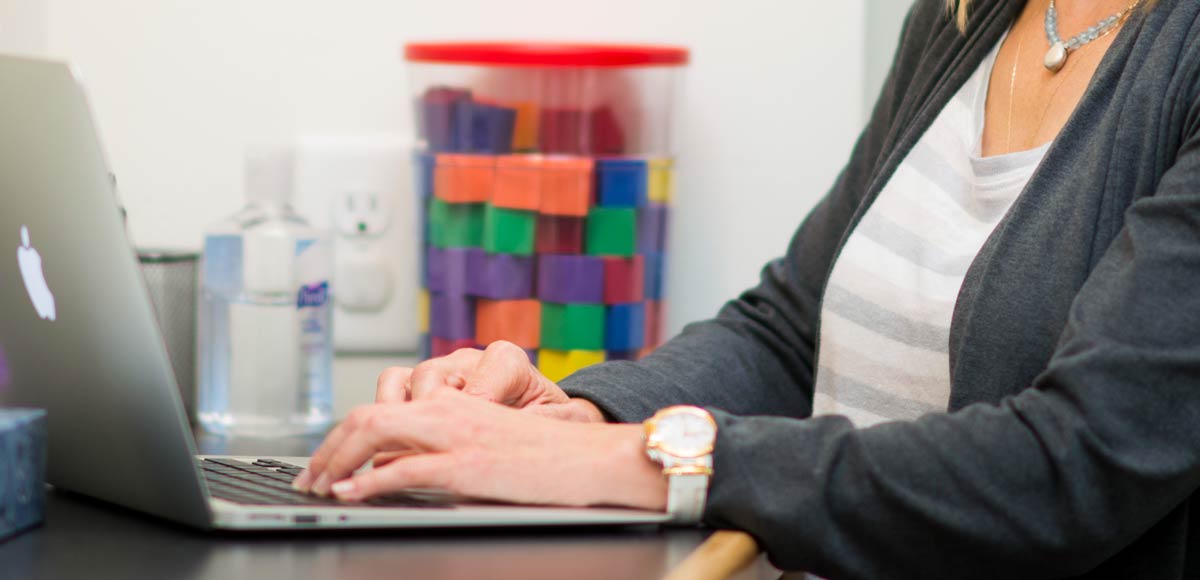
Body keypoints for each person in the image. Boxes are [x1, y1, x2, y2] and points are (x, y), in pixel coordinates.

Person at [293, 0, 1200, 576]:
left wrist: (655, 462)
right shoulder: (971, 16)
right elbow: (790, 330)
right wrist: (581, 416)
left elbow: (1072, 469)